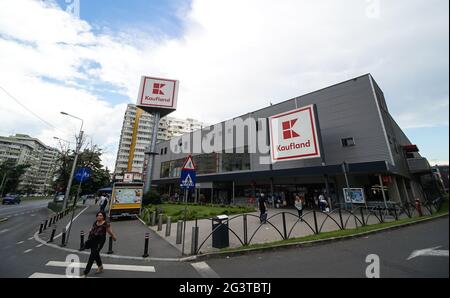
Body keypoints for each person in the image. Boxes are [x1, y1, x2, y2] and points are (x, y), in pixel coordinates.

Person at [81, 211, 117, 277]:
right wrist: (90, 230)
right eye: (98, 215)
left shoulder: (106, 224)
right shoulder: (95, 222)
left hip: (100, 241)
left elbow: (109, 231)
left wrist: (113, 236)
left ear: (103, 217)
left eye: (101, 215)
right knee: (96, 254)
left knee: (92, 256)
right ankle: (100, 267)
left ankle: (85, 273)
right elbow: (93, 228)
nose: (99, 216)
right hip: (92, 239)